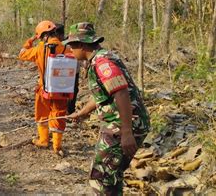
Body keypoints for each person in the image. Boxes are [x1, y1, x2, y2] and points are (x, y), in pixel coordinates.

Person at [63, 22, 150, 195]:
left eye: (72, 46)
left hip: (122, 125)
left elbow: (121, 93)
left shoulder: (102, 63)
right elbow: (102, 95)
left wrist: (126, 132)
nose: (70, 51)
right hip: (121, 124)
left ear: (81, 44)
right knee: (110, 174)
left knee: (101, 177)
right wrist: (81, 113)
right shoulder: (100, 58)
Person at [18, 20, 72, 155]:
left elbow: (22, 53)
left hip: (44, 90)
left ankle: (43, 140)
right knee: (58, 115)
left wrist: (31, 40)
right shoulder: (66, 48)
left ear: (42, 35)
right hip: (62, 90)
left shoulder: (39, 49)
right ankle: (57, 146)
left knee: (42, 114)